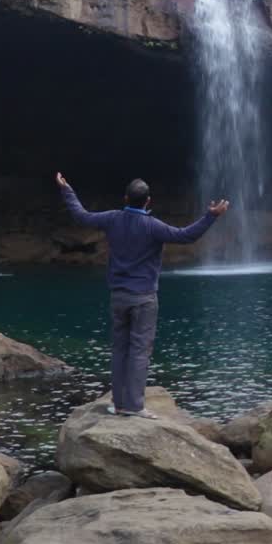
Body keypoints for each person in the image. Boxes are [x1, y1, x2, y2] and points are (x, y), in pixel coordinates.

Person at [55, 172, 229, 419]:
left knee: (119, 350)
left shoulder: (112, 219)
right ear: (148, 202)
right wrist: (211, 215)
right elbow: (186, 235)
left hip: (118, 295)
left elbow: (81, 215)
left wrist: (67, 190)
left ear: (125, 198)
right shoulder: (153, 226)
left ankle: (117, 402)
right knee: (139, 351)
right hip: (144, 297)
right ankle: (134, 406)